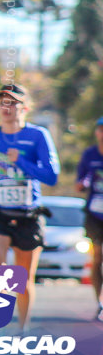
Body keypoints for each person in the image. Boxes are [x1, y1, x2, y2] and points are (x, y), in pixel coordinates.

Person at [0, 83, 59, 335]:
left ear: (25, 108)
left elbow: (52, 176)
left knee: (22, 280)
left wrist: (19, 160)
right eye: (2, 102)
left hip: (27, 213)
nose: (6, 107)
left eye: (12, 102)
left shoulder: (38, 135)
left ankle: (23, 330)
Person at [75, 116, 103, 321]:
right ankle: (99, 303)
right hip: (95, 214)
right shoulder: (90, 154)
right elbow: (80, 179)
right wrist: (82, 184)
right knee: (98, 257)